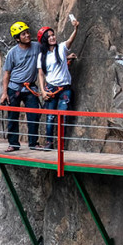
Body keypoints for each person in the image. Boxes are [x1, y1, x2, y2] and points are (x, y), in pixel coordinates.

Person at [36, 19, 79, 150]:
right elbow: (41, 74)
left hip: (65, 88)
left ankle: (61, 144)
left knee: (63, 117)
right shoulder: (42, 56)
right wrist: (43, 91)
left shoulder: (61, 48)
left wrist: (76, 29)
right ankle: (49, 142)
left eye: (53, 35)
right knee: (50, 117)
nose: (52, 37)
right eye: (48, 36)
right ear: (44, 40)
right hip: (51, 88)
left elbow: (70, 41)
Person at [1, 21, 42, 151]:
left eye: (27, 33)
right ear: (17, 38)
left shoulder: (37, 47)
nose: (27, 35)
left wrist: (66, 56)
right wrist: (4, 93)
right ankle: (13, 143)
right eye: (23, 34)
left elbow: (51, 53)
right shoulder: (12, 53)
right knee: (13, 116)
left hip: (30, 87)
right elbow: (7, 74)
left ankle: (33, 143)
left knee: (34, 115)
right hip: (15, 87)